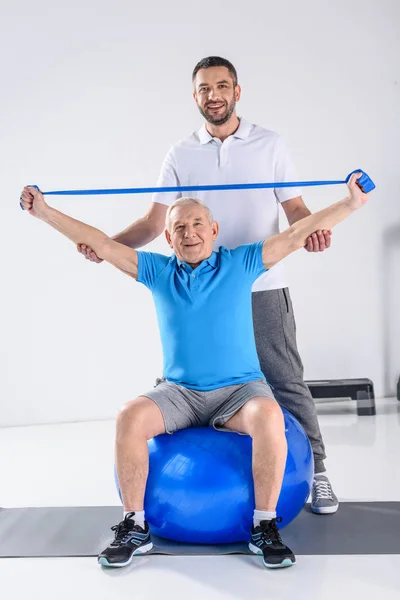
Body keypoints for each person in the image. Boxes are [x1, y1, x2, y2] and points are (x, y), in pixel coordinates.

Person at [20, 174, 370, 569]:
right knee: (129, 416)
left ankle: (264, 526)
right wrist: (44, 212)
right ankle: (134, 527)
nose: (189, 233)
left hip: (240, 391)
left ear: (214, 230)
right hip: (179, 392)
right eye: (179, 228)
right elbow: (101, 243)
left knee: (270, 414)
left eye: (197, 224)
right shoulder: (157, 271)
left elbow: (296, 234)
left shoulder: (241, 262)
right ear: (168, 239)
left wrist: (350, 204)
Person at [78, 56, 338, 514]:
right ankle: (155, 482)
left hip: (260, 283)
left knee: (285, 381)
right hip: (196, 286)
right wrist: (109, 247)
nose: (213, 95)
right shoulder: (181, 153)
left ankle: (317, 472)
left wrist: (313, 230)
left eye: (222, 86)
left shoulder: (270, 144)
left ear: (237, 92)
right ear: (195, 97)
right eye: (204, 88)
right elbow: (154, 222)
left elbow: (296, 211)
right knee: (181, 379)